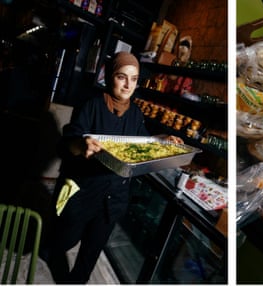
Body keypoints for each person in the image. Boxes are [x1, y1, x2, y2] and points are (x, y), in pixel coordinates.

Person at [40, 51, 182, 283]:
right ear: (110, 77)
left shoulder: (135, 114)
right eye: (122, 77)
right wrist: (81, 144)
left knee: (91, 252)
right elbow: (66, 144)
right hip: (85, 191)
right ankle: (48, 249)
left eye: (134, 79)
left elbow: (142, 145)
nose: (128, 85)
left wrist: (163, 140)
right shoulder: (92, 106)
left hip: (114, 197)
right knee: (66, 239)